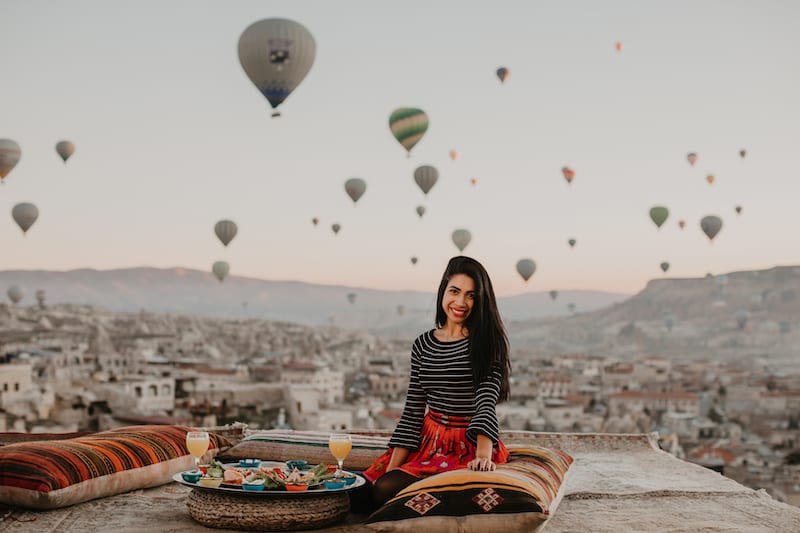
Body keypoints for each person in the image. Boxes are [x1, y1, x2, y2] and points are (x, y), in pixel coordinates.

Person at [362, 255, 512, 507]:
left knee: (384, 491)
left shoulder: (486, 343)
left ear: (481, 301)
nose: (461, 302)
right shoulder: (423, 344)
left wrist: (483, 456)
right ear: (443, 291)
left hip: (468, 443)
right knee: (366, 488)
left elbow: (486, 400)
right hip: (427, 440)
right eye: (454, 291)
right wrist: (390, 468)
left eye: (471, 295)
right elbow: (413, 408)